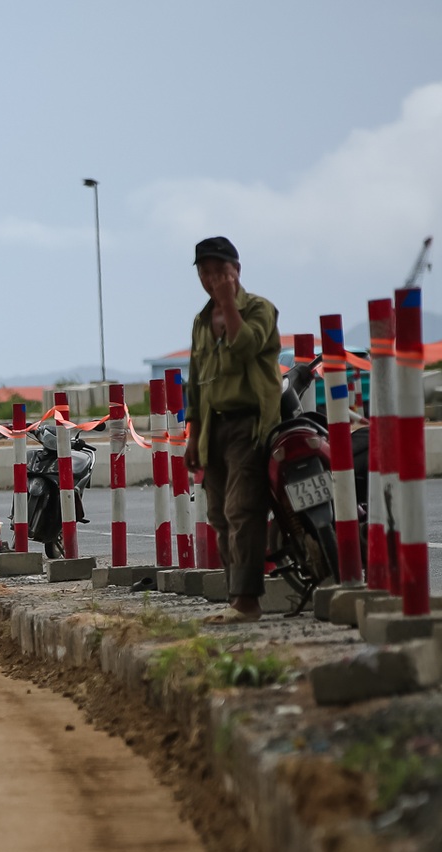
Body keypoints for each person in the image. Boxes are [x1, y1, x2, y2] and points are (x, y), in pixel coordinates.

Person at [183, 236, 278, 624]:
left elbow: (246, 346)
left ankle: (247, 601)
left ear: (236, 270)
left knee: (244, 510)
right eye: (205, 272)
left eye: (220, 271)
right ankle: (234, 597)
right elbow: (195, 382)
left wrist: (227, 303)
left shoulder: (260, 309)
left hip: (249, 424)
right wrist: (192, 434)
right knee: (220, 515)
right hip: (213, 428)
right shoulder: (201, 322)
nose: (212, 279)